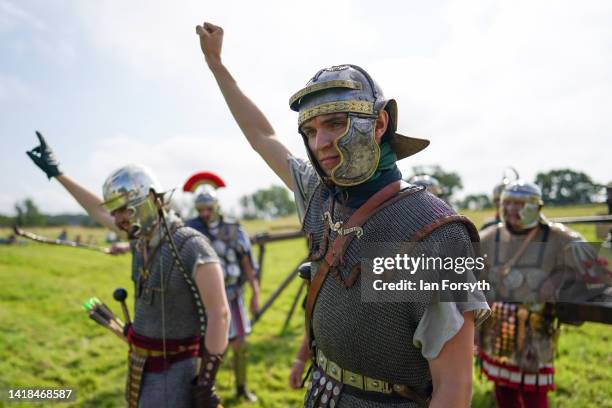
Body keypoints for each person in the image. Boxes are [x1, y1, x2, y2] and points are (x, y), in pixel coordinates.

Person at [196, 22, 489, 407]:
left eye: (335, 123)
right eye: (311, 130)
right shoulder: (321, 196)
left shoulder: (426, 232)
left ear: (380, 123)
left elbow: (453, 387)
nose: (320, 144)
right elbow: (261, 136)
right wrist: (217, 65)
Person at [26, 132, 230, 408]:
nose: (116, 218)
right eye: (115, 211)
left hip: (177, 370)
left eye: (123, 210)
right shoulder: (141, 239)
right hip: (141, 363)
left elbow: (219, 312)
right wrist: (57, 173)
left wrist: (206, 381)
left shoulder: (191, 245)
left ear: (148, 199)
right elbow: (97, 211)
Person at [477, 180, 611, 408]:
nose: (511, 210)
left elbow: (601, 275)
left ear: (535, 206)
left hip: (535, 328)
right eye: (507, 203)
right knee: (503, 386)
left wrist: (559, 282)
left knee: (534, 391)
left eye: (519, 204)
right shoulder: (488, 237)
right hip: (497, 326)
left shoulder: (560, 238)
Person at [186, 183, 261, 402]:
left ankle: (241, 388)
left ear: (216, 206)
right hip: (204, 298)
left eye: (208, 208)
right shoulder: (191, 230)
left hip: (234, 294)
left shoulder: (233, 229)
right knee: (208, 346)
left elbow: (247, 263)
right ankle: (206, 392)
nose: (204, 213)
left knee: (240, 344)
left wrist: (255, 292)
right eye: (200, 209)